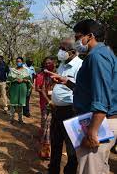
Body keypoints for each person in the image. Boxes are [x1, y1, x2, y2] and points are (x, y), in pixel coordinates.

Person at [48, 19, 117, 174]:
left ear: (90, 36)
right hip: (98, 121)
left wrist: (93, 131)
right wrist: (68, 83)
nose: (77, 41)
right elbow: (91, 90)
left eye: (78, 37)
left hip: (98, 123)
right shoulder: (103, 53)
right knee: (99, 168)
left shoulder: (97, 56)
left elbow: (101, 96)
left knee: (90, 169)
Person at [48, 39, 82, 174]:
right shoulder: (62, 64)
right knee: (55, 143)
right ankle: (53, 170)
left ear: (73, 52)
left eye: (63, 49)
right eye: (59, 48)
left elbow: (82, 90)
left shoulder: (81, 66)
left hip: (71, 111)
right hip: (56, 110)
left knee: (71, 148)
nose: (60, 51)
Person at [35, 56, 56, 159]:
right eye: (46, 63)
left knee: (52, 128)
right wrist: (49, 101)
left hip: (57, 105)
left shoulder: (57, 75)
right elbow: (39, 89)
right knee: (46, 127)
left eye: (50, 63)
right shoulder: (41, 75)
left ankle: (52, 149)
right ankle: (45, 152)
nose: (48, 65)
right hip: (46, 105)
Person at [7, 57, 31, 124]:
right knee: (12, 105)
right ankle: (11, 118)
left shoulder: (26, 71)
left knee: (21, 105)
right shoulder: (12, 70)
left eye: (20, 61)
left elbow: (29, 80)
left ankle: (20, 119)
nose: (18, 62)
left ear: (22, 62)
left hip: (22, 89)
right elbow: (8, 80)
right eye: (17, 61)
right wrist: (15, 79)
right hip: (14, 89)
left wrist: (23, 80)